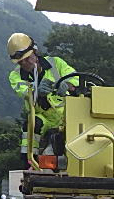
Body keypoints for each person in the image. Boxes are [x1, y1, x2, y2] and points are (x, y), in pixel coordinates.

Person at [7, 33, 78, 167]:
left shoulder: (56, 63)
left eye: (27, 59)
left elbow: (75, 78)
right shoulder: (15, 75)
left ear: (35, 51)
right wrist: (36, 91)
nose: (24, 63)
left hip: (67, 116)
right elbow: (23, 91)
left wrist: (66, 85)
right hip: (43, 116)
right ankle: (29, 163)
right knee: (33, 124)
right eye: (20, 62)